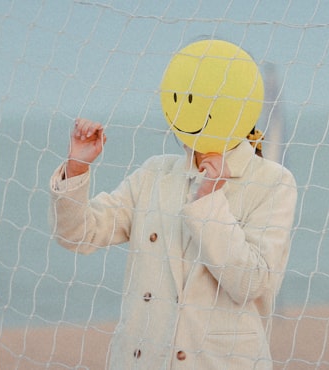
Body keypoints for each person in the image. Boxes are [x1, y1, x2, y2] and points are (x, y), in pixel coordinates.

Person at [48, 40, 297, 369]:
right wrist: (77, 168)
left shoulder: (272, 182)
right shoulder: (154, 173)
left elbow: (250, 283)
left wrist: (209, 200)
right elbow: (77, 235)